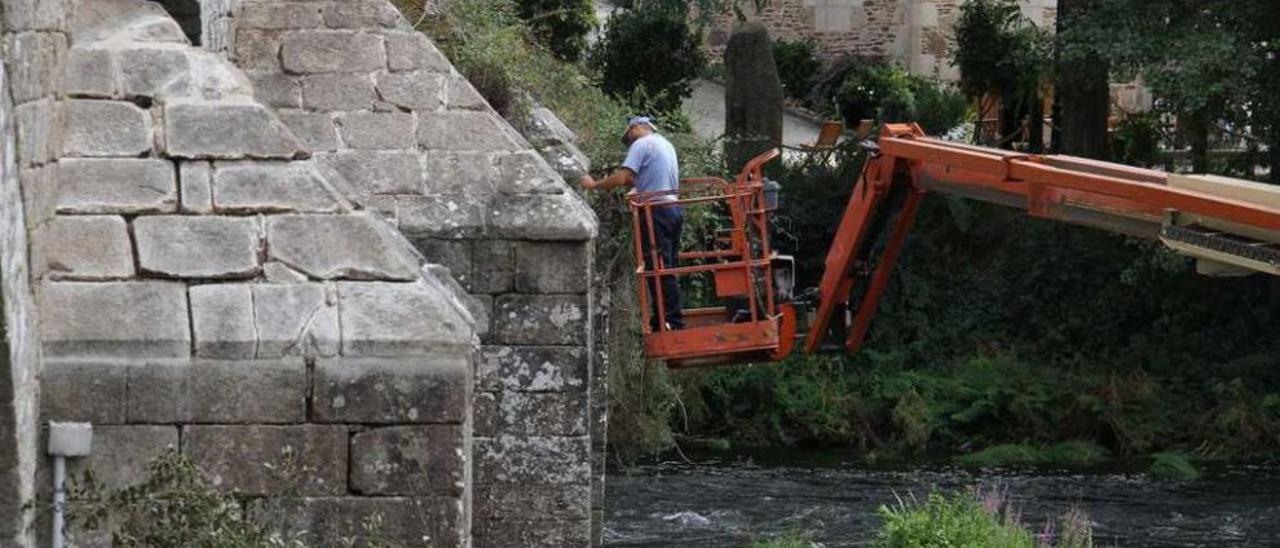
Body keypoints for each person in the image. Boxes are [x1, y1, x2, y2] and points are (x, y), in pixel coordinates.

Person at [580, 116, 685, 330]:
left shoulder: (641, 144)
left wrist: (593, 185)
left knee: (657, 267)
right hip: (672, 209)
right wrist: (636, 187)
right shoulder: (664, 144)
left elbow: (621, 178)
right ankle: (666, 318)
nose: (629, 143)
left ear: (636, 128)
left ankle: (671, 321)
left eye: (628, 137)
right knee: (667, 267)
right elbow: (640, 178)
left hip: (655, 211)